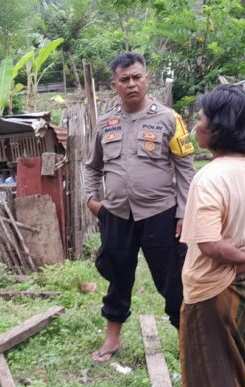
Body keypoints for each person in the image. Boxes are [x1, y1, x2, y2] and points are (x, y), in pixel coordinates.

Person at [84, 52, 196, 363]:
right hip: (117, 214)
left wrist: (184, 212)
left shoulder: (169, 119)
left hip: (160, 213)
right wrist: (91, 200)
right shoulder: (106, 123)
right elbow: (92, 166)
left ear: (147, 79)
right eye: (125, 80)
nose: (132, 84)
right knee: (118, 276)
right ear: (115, 85)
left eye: (137, 77)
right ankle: (112, 339)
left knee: (172, 278)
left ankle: (187, 338)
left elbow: (186, 169)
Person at [178, 84, 245, 387]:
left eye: (200, 118)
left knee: (214, 381)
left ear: (218, 127)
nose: (195, 126)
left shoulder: (210, 178)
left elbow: (211, 246)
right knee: (241, 366)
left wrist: (243, 254)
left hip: (215, 292)